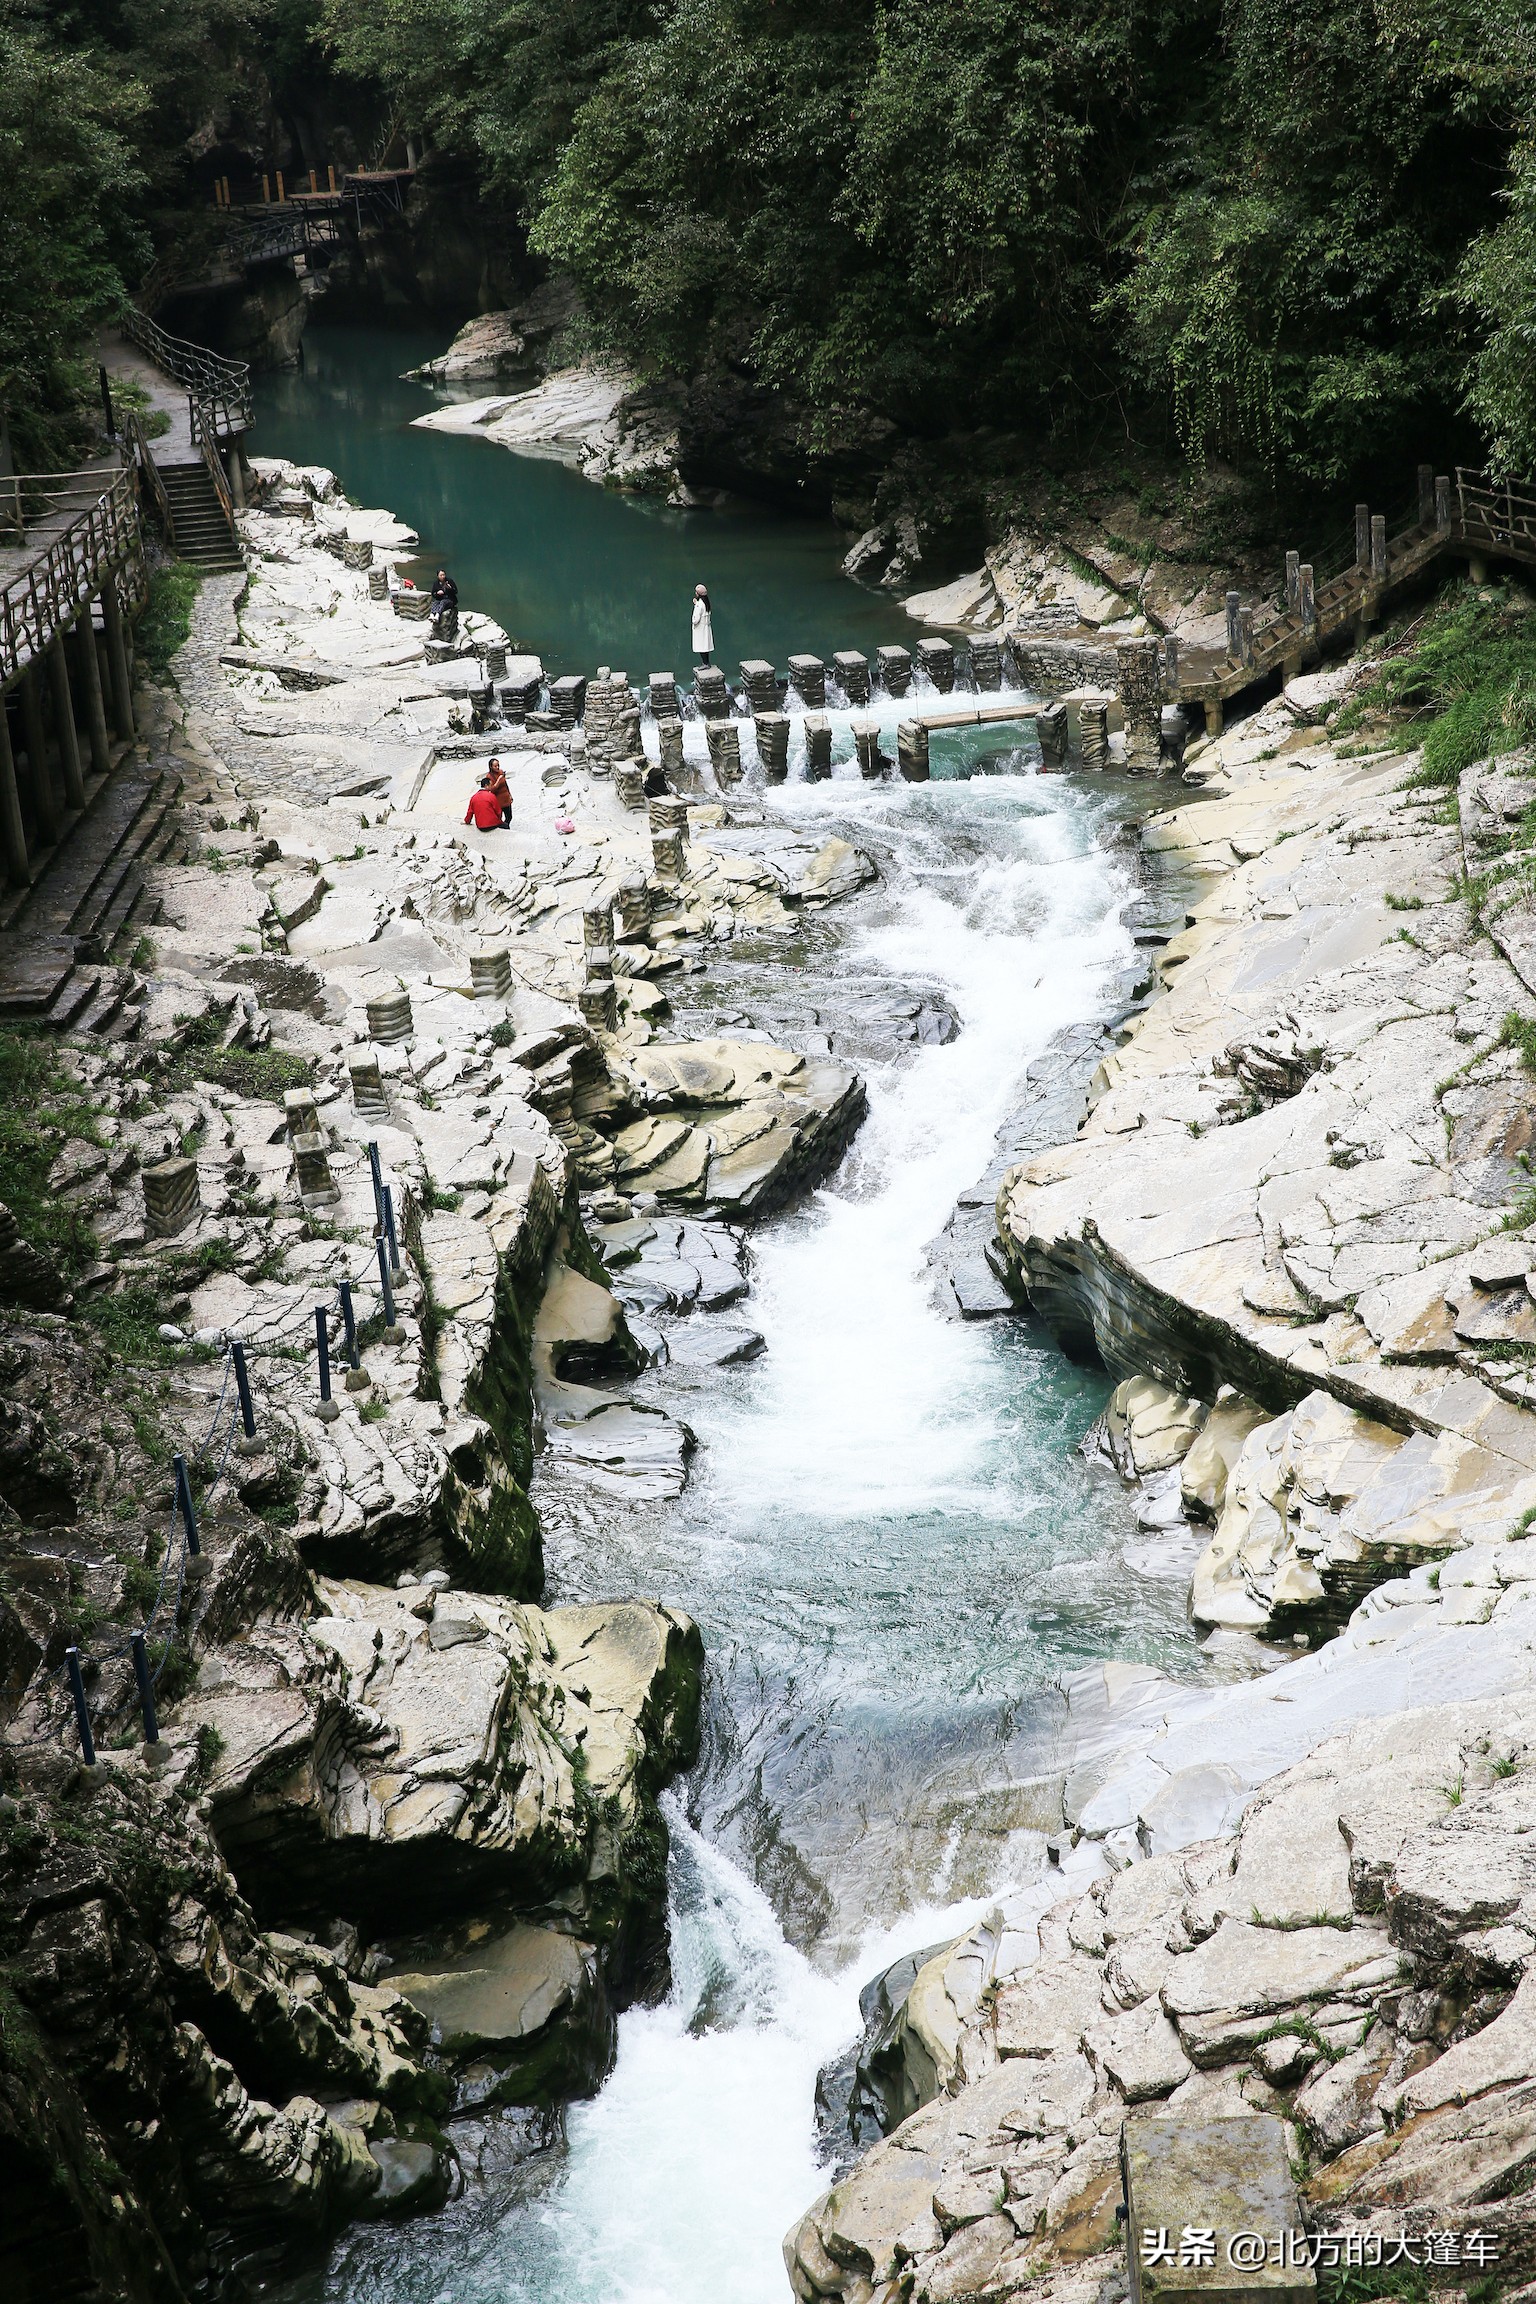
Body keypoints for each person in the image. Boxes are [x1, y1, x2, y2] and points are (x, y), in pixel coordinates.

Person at [430, 568, 459, 636]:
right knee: (435, 603)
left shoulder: (449, 581)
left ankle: (437, 614)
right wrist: (437, 593)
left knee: (443, 602)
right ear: (438, 576)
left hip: (450, 599)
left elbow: (455, 591)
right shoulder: (436, 583)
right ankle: (432, 614)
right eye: (441, 575)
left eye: (443, 575)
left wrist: (450, 589)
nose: (443, 576)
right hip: (440, 598)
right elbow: (433, 594)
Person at [691, 583, 713, 666]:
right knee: (705, 646)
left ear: (698, 594)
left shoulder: (699, 605)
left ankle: (705, 663)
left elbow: (696, 619)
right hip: (706, 627)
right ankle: (707, 662)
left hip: (700, 628)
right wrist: (696, 603)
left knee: (701, 646)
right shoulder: (706, 603)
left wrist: (696, 606)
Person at [485, 758, 512, 823]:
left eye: (498, 765)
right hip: (498, 800)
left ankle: (506, 826)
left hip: (505, 797)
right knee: (498, 818)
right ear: (491, 767)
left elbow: (505, 784)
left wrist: (510, 795)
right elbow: (492, 790)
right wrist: (498, 781)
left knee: (509, 817)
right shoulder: (489, 776)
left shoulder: (501, 772)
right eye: (495, 766)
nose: (497, 767)